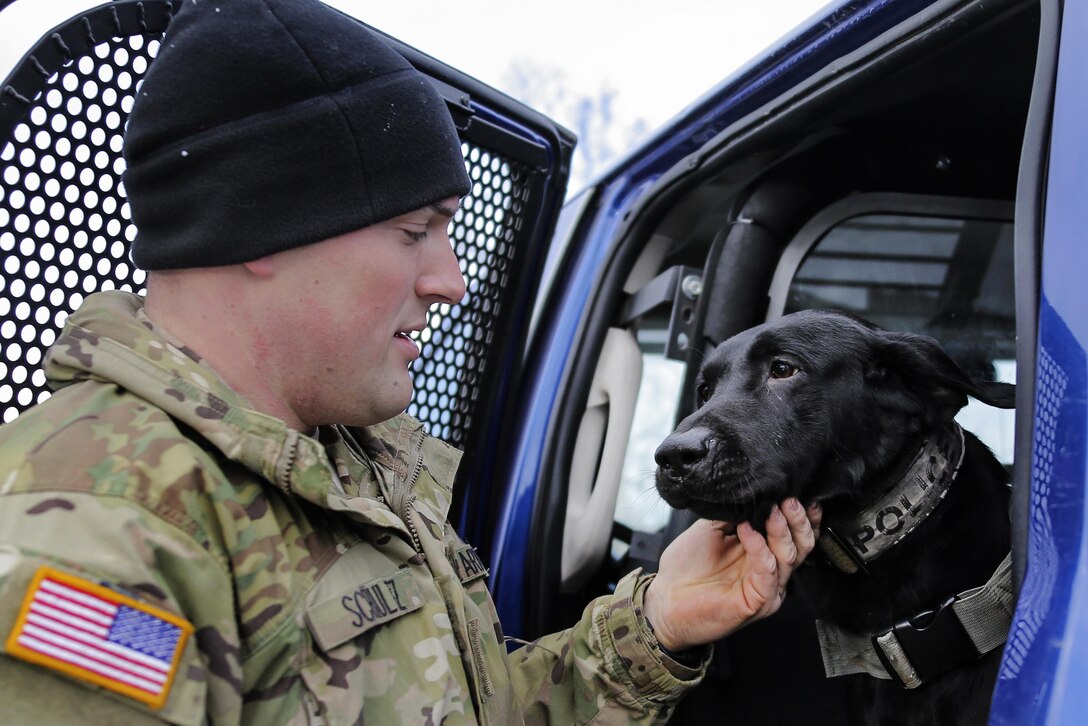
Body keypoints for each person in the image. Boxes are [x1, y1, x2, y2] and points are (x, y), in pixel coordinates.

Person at [0, 0, 821, 723]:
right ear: (262, 224)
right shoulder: (96, 532)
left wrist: (657, 626)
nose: (451, 281)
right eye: (413, 232)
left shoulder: (350, 465)